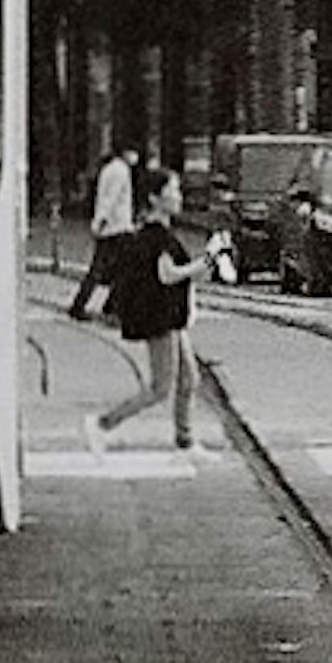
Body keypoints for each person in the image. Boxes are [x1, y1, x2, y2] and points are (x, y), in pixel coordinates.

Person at [89, 161, 202, 449]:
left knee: (188, 378)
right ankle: (103, 423)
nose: (179, 196)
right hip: (159, 318)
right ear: (155, 198)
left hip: (171, 317)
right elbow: (167, 275)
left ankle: (185, 439)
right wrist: (200, 266)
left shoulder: (157, 233)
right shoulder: (155, 236)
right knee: (161, 388)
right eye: (173, 191)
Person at [72, 133, 139, 323]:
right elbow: (111, 199)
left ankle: (96, 305)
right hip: (117, 227)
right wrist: (101, 219)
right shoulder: (121, 171)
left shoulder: (109, 168)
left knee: (109, 269)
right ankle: (107, 308)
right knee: (119, 269)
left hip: (110, 226)